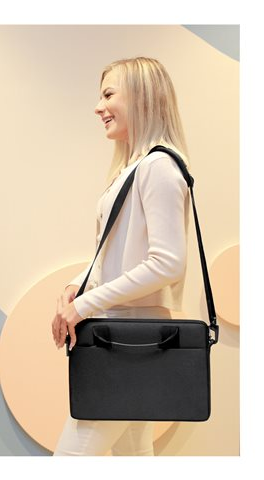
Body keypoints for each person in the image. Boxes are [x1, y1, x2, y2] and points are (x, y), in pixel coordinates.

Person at [51, 57, 190, 456]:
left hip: (128, 339)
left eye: (108, 94)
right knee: (134, 456)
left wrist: (83, 305)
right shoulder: (136, 167)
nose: (99, 107)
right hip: (130, 335)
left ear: (142, 97)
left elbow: (167, 263)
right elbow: (116, 254)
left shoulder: (158, 166)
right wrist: (76, 286)